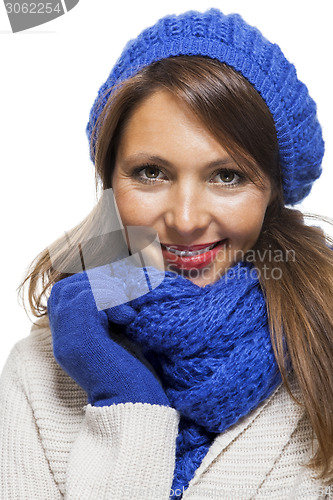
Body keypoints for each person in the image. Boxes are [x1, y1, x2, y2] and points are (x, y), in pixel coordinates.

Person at [1, 7, 332, 499]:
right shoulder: (39, 374)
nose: (185, 218)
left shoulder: (320, 355)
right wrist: (126, 403)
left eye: (228, 176)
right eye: (152, 172)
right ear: (111, 179)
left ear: (272, 193)